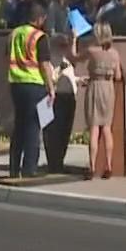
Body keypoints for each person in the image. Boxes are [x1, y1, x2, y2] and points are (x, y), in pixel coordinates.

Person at [6, 2, 57, 178]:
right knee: (33, 127)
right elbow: (43, 65)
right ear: (40, 18)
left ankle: (14, 168)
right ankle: (29, 168)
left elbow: (8, 55)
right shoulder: (40, 37)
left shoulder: (14, 33)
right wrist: (51, 87)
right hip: (35, 84)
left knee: (19, 126)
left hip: (15, 83)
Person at [82, 24, 123, 179]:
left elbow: (75, 57)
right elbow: (118, 76)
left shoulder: (92, 51)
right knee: (106, 127)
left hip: (94, 86)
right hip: (108, 88)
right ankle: (109, 165)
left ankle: (92, 166)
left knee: (94, 127)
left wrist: (73, 40)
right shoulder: (114, 54)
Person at [44, 35, 81, 174]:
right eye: (63, 45)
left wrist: (78, 80)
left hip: (69, 97)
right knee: (53, 132)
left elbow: (70, 76)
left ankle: (59, 162)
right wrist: (60, 68)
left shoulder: (67, 60)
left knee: (65, 131)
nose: (66, 47)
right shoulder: (50, 59)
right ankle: (53, 163)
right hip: (55, 97)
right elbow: (51, 78)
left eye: (66, 45)